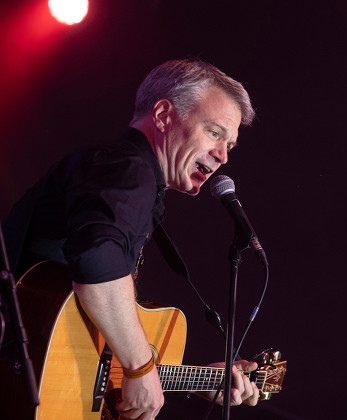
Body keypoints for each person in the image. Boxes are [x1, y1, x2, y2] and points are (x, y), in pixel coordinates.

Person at [4, 59, 259, 419]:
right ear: (163, 115)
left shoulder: (129, 179)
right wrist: (140, 368)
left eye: (229, 144)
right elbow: (97, 263)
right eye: (215, 133)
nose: (223, 156)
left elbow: (95, 339)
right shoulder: (129, 168)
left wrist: (192, 380)